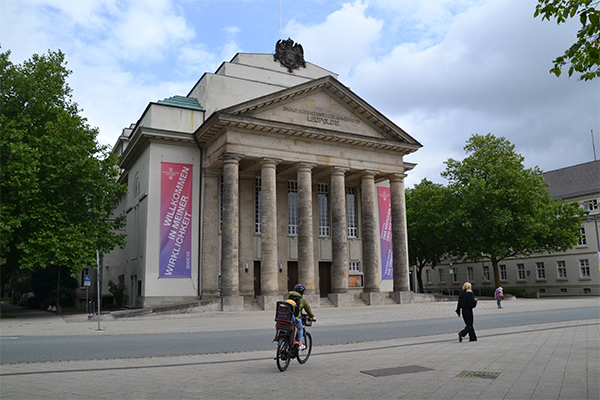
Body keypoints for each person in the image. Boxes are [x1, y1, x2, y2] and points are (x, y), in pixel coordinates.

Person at [288, 284, 315, 350]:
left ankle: (283, 349)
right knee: (300, 328)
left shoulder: (290, 297)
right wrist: (312, 317)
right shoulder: (302, 299)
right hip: (296, 318)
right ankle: (300, 344)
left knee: (289, 333)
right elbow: (308, 309)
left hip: (287, 318)